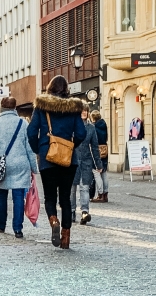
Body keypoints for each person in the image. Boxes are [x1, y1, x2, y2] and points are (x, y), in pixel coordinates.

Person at [27, 75, 88, 249]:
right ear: (66, 89)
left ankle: (54, 221)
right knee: (66, 199)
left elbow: (31, 132)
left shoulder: (41, 107)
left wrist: (39, 149)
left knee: (50, 197)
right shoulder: (73, 109)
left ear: (50, 88)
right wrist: (70, 145)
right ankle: (66, 238)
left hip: (48, 158)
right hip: (69, 160)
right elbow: (82, 133)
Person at [0, 96, 38, 239]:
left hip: (2, 164)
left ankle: (1, 224)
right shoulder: (23, 123)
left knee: (1, 194)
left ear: (1, 107)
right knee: (19, 196)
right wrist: (34, 167)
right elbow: (30, 148)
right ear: (15, 108)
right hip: (21, 163)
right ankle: (18, 229)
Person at [69, 103, 100, 226]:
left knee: (85, 187)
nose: (84, 113)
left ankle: (84, 212)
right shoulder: (72, 126)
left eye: (86, 111)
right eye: (82, 111)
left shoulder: (91, 128)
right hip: (72, 160)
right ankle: (71, 210)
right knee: (72, 188)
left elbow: (95, 147)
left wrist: (99, 164)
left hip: (86, 161)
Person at [91, 110, 109, 202]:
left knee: (96, 171)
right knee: (104, 172)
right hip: (104, 149)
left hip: (97, 149)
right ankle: (105, 194)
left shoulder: (94, 126)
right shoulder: (104, 125)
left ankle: (100, 194)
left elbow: (93, 139)